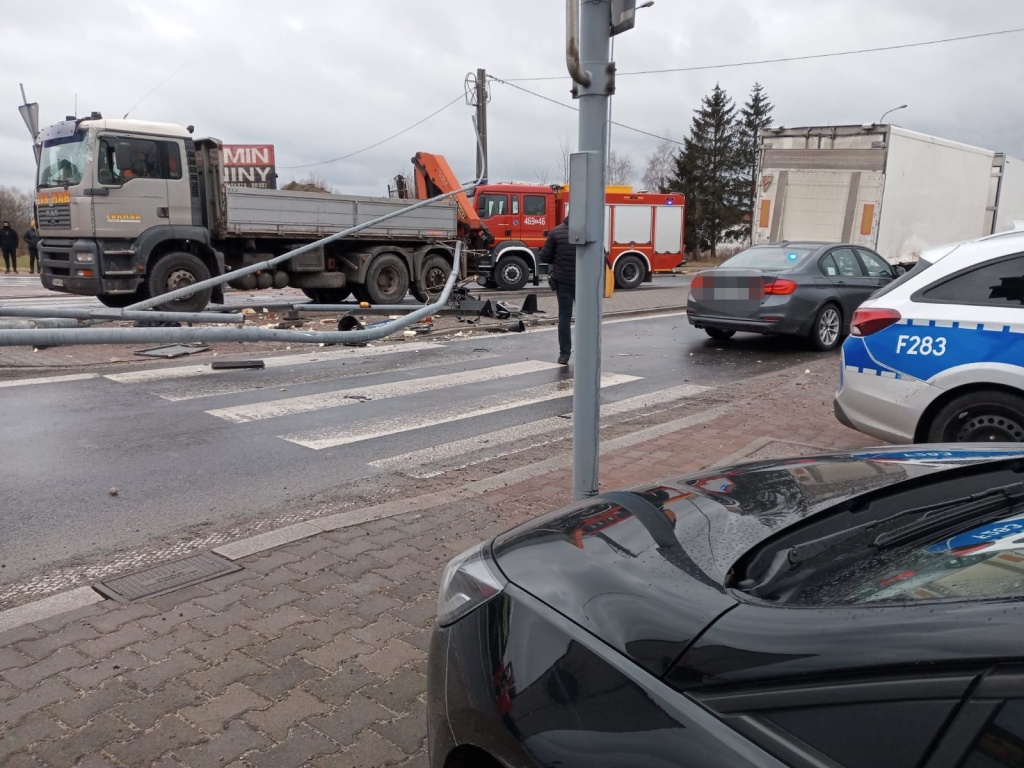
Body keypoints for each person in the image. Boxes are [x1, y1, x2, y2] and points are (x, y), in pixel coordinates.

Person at [538, 214, 576, 365]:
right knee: (585, 319)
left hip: (563, 281)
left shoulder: (556, 232)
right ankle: (587, 352)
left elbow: (544, 257)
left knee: (564, 317)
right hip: (584, 283)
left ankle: (564, 354)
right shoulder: (588, 232)